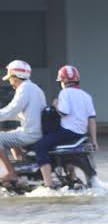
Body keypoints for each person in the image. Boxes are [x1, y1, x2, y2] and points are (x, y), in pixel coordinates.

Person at [30, 65, 97, 187]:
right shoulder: (86, 95)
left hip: (67, 132)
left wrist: (56, 104)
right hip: (81, 134)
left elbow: (63, 112)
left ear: (64, 81)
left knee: (40, 147)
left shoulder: (64, 93)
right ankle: (71, 175)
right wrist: (94, 140)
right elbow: (91, 119)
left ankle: (48, 184)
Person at [0, 60, 47, 188]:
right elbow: (22, 113)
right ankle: (21, 167)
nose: (10, 81)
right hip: (36, 131)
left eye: (10, 78)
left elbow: (12, 110)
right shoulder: (35, 88)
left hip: (30, 134)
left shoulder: (24, 89)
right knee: (8, 135)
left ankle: (11, 173)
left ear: (15, 77)